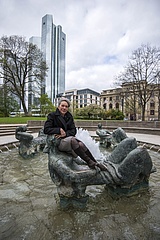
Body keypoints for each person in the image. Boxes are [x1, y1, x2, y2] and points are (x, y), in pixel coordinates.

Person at [44, 97, 107, 171]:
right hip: (58, 142)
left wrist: (65, 134)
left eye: (66, 106)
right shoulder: (52, 115)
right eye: (62, 106)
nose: (64, 108)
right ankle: (90, 162)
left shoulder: (69, 116)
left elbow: (73, 131)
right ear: (58, 106)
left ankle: (94, 162)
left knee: (80, 144)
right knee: (73, 140)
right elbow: (46, 129)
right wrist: (58, 130)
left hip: (68, 140)